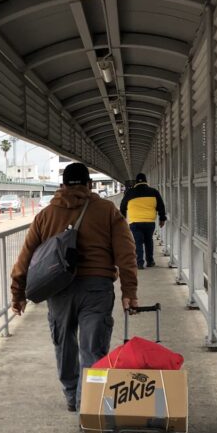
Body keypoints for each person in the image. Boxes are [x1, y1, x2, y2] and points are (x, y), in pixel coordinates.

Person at [10, 162, 138, 412]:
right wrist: (129, 292)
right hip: (97, 289)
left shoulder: (46, 215)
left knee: (64, 344)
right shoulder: (107, 210)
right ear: (90, 185)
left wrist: (18, 294)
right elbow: (126, 253)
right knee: (93, 349)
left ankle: (71, 396)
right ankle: (87, 407)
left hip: (59, 290)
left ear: (62, 186)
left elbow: (25, 258)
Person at [119, 173, 166, 269]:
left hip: (135, 222)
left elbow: (122, 206)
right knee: (149, 241)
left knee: (137, 242)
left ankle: (139, 263)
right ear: (146, 181)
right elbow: (161, 206)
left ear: (136, 182)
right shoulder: (154, 192)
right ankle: (150, 261)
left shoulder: (129, 192)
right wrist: (162, 218)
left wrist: (123, 218)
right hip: (149, 222)